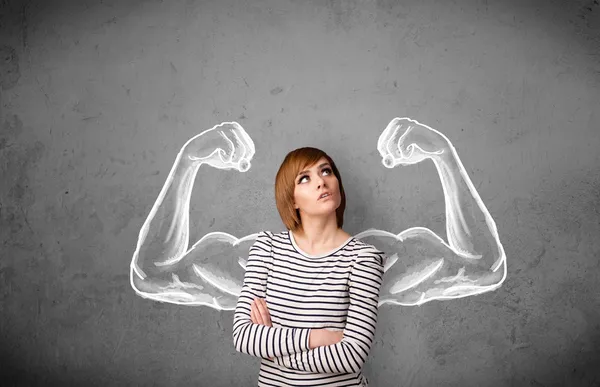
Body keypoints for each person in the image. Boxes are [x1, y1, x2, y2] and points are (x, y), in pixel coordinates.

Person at [232, 147, 385, 387]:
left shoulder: (363, 259)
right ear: (291, 199)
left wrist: (272, 350)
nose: (321, 182)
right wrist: (317, 337)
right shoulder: (267, 247)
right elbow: (243, 336)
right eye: (305, 178)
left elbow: (351, 357)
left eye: (326, 171)